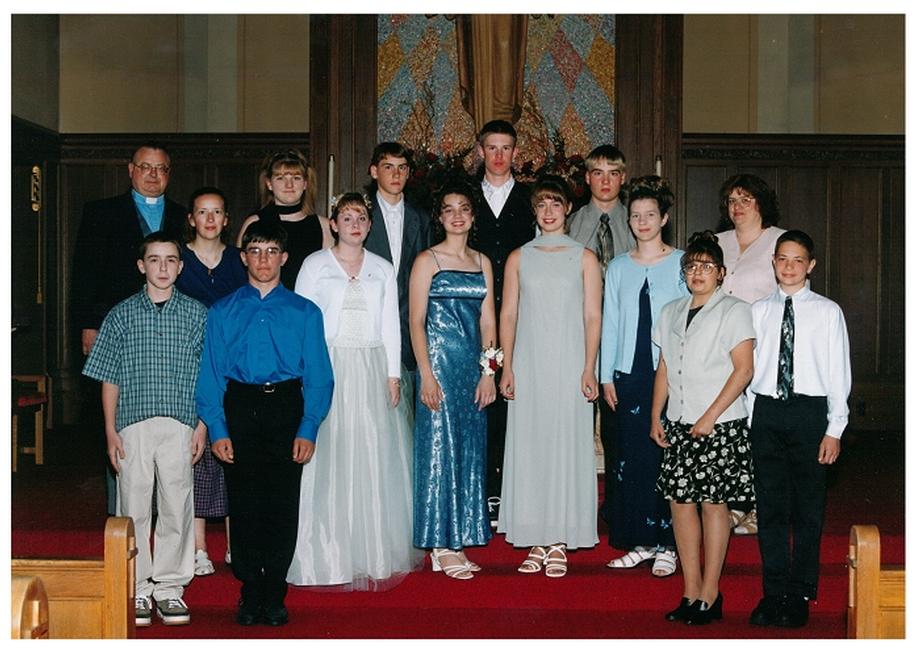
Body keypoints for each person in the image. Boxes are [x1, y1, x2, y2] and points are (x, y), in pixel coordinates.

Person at [196, 220, 334, 626]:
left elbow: (320, 376)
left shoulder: (305, 312)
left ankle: (274, 590)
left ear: (284, 258)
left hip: (285, 407)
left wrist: (308, 426)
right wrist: (218, 428)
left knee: (280, 501)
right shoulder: (223, 311)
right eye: (255, 251)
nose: (263, 260)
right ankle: (249, 589)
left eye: (272, 251)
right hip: (240, 405)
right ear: (243, 258)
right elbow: (211, 374)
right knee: (245, 501)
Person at [288, 192, 423, 590]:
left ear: (369, 225)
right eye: (346, 217)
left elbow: (389, 324)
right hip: (328, 366)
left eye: (361, 217)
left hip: (371, 367)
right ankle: (326, 554)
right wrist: (306, 373)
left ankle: (372, 551)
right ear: (333, 224)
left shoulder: (381, 268)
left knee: (372, 455)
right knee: (329, 457)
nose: (354, 223)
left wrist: (392, 374)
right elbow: (303, 322)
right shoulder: (314, 265)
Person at [82, 231, 207, 627]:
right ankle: (136, 587)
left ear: (181, 266)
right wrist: (109, 429)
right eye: (154, 260)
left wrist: (202, 425)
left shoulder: (197, 314)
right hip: (132, 423)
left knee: (176, 503)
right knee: (133, 505)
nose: (163, 267)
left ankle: (170, 588)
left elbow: (208, 376)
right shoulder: (120, 315)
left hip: (180, 423)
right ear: (141, 265)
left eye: (171, 260)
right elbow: (109, 377)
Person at [71, 143, 187, 515]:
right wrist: (89, 325)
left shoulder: (183, 216)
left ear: (170, 173)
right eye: (145, 167)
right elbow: (85, 273)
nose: (153, 175)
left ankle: (163, 515)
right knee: (121, 422)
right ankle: (121, 517)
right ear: (130, 170)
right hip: (117, 327)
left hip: (170, 332)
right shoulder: (100, 212)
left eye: (161, 169)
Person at [497, 175, 602, 578]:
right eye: (541, 205)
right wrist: (507, 365)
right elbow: (509, 313)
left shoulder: (585, 257)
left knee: (564, 447)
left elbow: (593, 315)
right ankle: (535, 537)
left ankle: (559, 539)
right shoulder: (519, 257)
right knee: (532, 447)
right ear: (535, 211)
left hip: (570, 361)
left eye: (555, 204)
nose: (548, 211)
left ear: (568, 209)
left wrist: (589, 366)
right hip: (529, 361)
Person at [651, 231, 756, 625]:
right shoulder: (671, 311)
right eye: (691, 266)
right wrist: (655, 415)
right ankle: (689, 590)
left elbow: (744, 370)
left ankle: (711, 593)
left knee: (714, 506)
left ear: (721, 273)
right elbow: (664, 367)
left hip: (718, 425)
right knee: (680, 506)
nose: (698, 272)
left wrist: (710, 415)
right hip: (678, 421)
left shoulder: (734, 310)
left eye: (706, 266)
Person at [747, 230, 851, 629]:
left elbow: (839, 372)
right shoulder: (758, 311)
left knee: (808, 508)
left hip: (810, 412)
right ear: (773, 262)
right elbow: (751, 369)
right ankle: (774, 592)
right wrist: (751, 417)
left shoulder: (827, 312)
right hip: (768, 412)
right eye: (782, 259)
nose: (789, 267)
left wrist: (834, 428)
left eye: (797, 261)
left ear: (810, 266)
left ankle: (801, 592)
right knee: (770, 508)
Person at [409, 180, 498, 580]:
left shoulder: (483, 262)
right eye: (449, 209)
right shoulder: (428, 260)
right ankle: (439, 543)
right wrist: (425, 375)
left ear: (472, 216)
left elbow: (489, 321)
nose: (457, 215)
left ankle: (459, 537)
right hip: (439, 368)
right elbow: (415, 321)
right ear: (440, 217)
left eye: (464, 208)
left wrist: (488, 373)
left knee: (468, 453)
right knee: (438, 452)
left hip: (472, 372)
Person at [600, 176, 685, 577]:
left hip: (670, 374)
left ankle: (669, 544)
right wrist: (606, 376)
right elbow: (610, 322)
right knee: (630, 459)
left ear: (664, 218)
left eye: (650, 214)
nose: (642, 221)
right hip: (627, 373)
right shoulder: (618, 266)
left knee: (666, 456)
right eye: (635, 216)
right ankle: (640, 540)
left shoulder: (682, 263)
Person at [174, 187, 247, 576]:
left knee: (233, 452)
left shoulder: (239, 260)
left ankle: (238, 546)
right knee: (196, 456)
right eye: (202, 212)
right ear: (191, 218)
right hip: (187, 365)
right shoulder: (179, 259)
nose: (210, 219)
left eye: (217, 212)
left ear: (226, 219)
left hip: (233, 366)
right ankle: (199, 547)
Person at [469, 119, 536, 523]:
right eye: (491, 148)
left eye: (505, 148)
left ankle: (508, 490)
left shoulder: (530, 200)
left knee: (511, 396)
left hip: (518, 314)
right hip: (473, 315)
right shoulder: (463, 199)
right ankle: (482, 490)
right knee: (480, 395)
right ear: (480, 151)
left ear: (515, 152)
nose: (497, 156)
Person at [567, 144, 635, 528]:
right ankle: (576, 503)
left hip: (624, 334)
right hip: (578, 332)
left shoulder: (638, 220)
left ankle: (620, 503)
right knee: (577, 416)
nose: (605, 181)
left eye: (613, 173)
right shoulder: (572, 223)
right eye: (598, 173)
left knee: (619, 423)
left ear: (622, 178)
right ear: (587, 178)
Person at [716, 174, 785, 535]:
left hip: (762, 352)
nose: (737, 207)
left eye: (745, 199)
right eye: (731, 200)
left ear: (761, 203)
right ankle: (731, 504)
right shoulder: (717, 242)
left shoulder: (778, 241)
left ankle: (760, 507)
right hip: (718, 352)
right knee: (728, 433)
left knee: (759, 433)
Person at [364, 142, 432, 423]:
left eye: (402, 168)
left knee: (405, 418)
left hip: (407, 329)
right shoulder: (360, 215)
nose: (395, 174)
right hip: (368, 325)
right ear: (374, 172)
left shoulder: (421, 218)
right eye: (388, 167)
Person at [237, 149, 333, 290]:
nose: (289, 185)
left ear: (305, 183)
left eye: (296, 178)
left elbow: (328, 277)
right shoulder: (254, 222)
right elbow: (240, 273)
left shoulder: (323, 226)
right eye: (281, 178)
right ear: (269, 184)